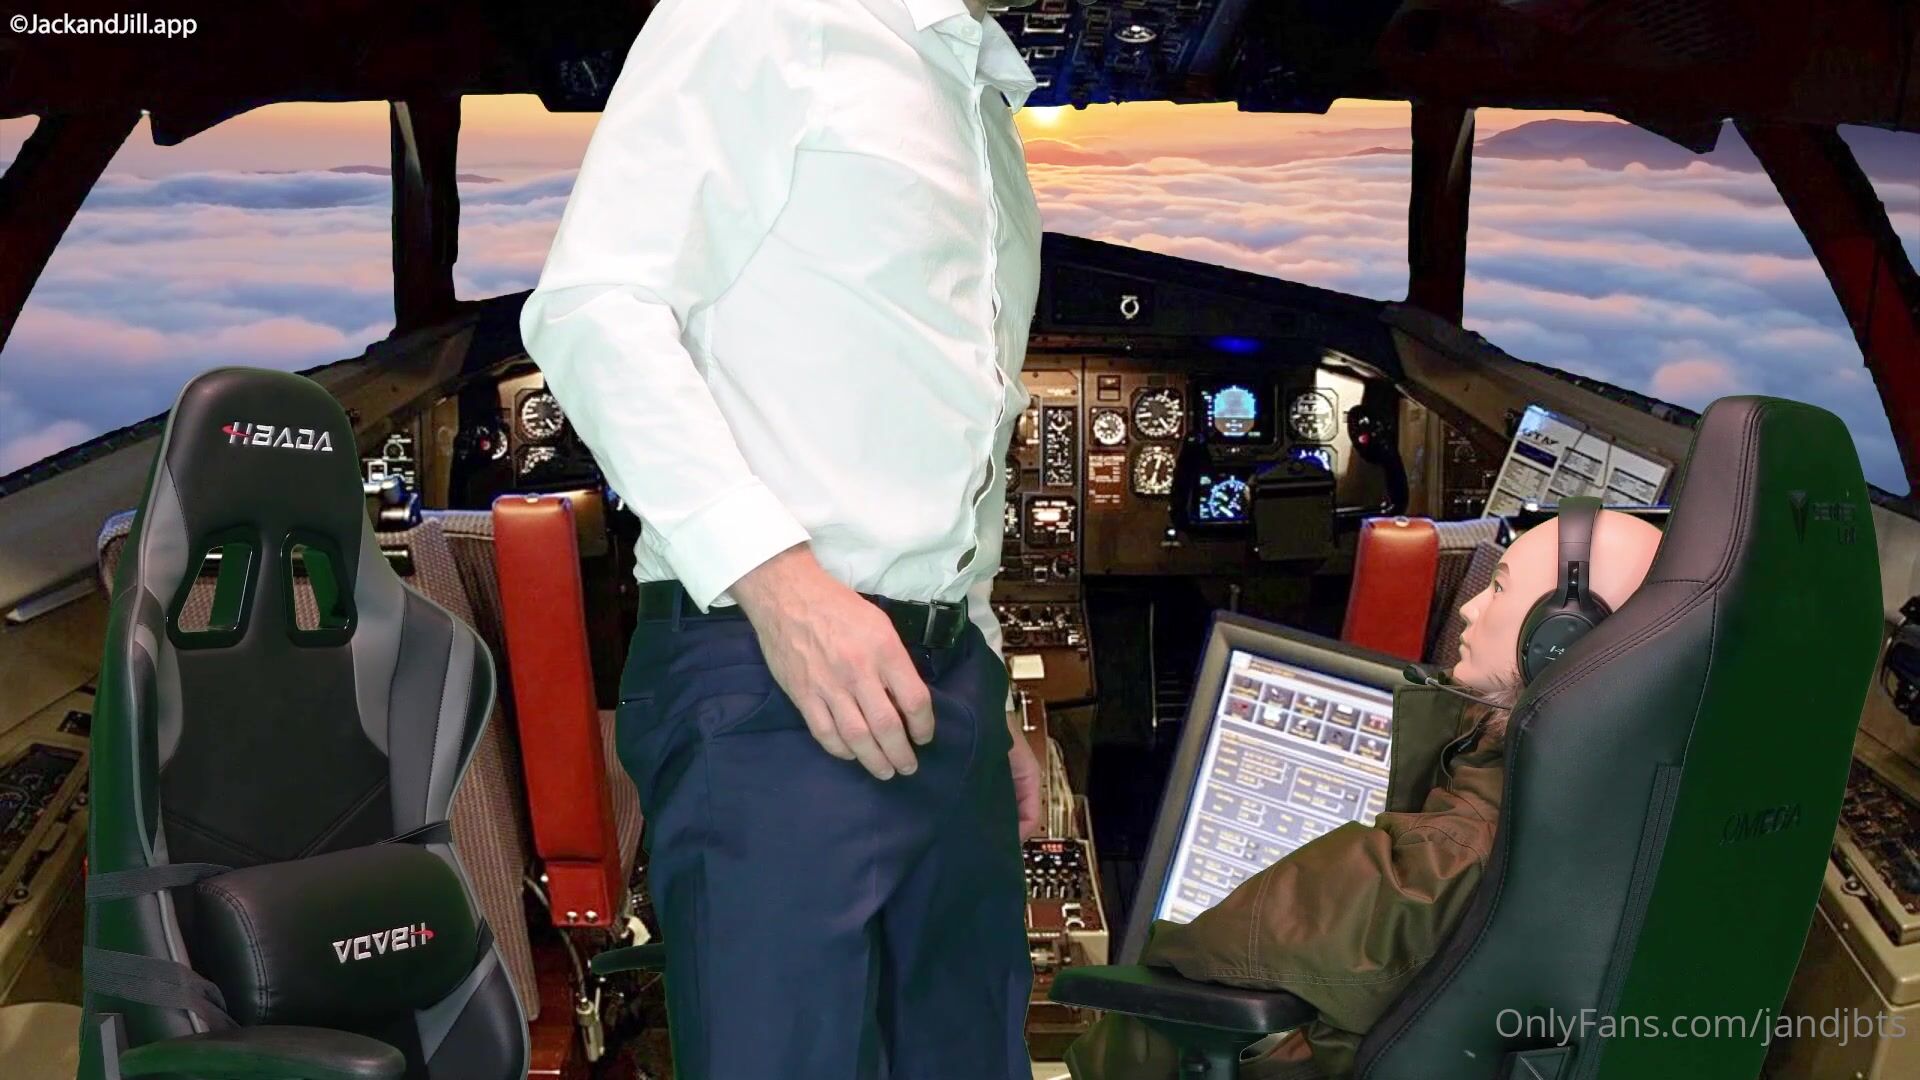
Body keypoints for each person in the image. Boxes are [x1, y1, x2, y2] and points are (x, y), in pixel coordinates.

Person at [517, 1, 1046, 1077]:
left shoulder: (974, 93)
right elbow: (595, 305)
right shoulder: (762, 14)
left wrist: (986, 676)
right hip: (772, 662)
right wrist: (781, 585)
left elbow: (961, 425)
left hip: (944, 679)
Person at [1066, 508, 1666, 1080]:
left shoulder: (1436, 864)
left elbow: (1180, 995)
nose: (1470, 607)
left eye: (1499, 587)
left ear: (1560, 638)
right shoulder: (1654, 816)